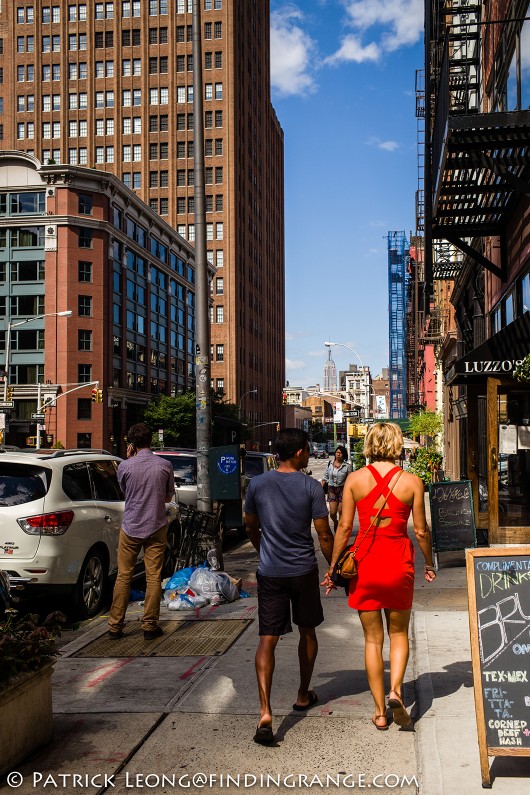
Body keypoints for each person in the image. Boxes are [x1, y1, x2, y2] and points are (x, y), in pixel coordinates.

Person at [322, 422, 436, 730]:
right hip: (398, 562)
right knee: (399, 634)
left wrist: (333, 569)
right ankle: (396, 691)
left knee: (373, 640)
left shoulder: (354, 480)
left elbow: (344, 529)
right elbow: (422, 531)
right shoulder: (412, 482)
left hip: (366, 563)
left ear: (369, 444)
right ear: (398, 445)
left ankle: (379, 711)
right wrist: (429, 562)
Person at [245, 428, 335, 745]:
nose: (309, 454)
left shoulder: (257, 484)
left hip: (270, 571)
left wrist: (262, 551)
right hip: (303, 570)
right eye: (308, 450)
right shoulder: (311, 486)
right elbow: (324, 535)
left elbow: (251, 526)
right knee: (307, 631)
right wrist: (335, 568)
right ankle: (301, 694)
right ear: (298, 453)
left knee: (267, 639)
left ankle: (266, 713)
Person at [108, 422, 174, 641]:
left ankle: (115, 626)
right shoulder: (165, 465)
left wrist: (129, 459)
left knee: (123, 576)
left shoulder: (125, 466)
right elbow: (167, 497)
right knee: (153, 576)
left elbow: (125, 492)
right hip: (156, 525)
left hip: (131, 526)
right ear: (151, 441)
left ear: (132, 444)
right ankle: (149, 626)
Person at [321, 445, 352, 532]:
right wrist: (320, 488)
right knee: (332, 513)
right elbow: (325, 477)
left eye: (341, 453)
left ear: (343, 455)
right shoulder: (330, 464)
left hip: (343, 490)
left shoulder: (347, 466)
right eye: (337, 452)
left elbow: (350, 480)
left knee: (341, 511)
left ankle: (340, 529)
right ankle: (336, 522)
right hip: (332, 490)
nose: (338, 454)